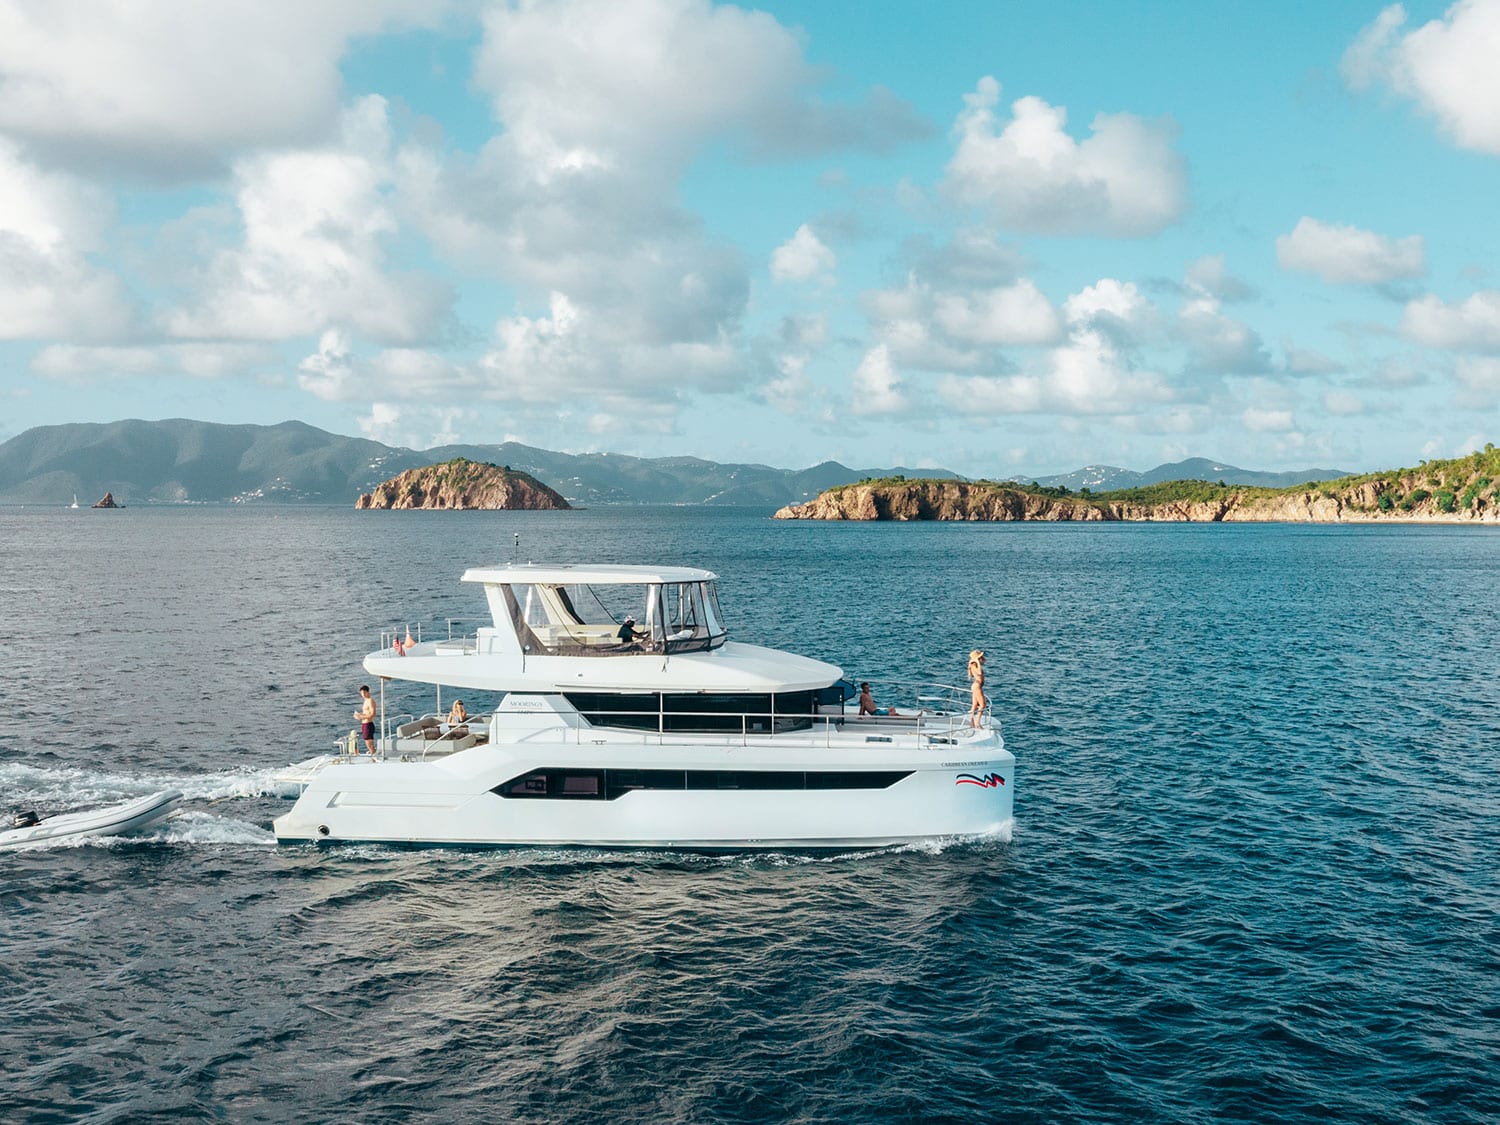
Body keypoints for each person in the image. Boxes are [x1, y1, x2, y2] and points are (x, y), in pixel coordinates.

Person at [354, 684, 377, 754]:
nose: (363, 694)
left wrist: (361, 717)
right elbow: (366, 713)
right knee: (368, 744)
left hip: (368, 724)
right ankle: (373, 756)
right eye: (361, 693)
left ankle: (373, 759)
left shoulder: (370, 701)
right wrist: (359, 715)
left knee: (370, 745)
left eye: (364, 692)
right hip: (365, 724)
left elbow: (373, 714)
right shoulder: (366, 701)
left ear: (368, 692)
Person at [968, 649, 987, 728]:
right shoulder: (974, 664)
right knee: (983, 705)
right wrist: (977, 662)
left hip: (977, 686)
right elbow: (979, 672)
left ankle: (972, 722)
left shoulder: (974, 663)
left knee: (975, 705)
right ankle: (977, 723)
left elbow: (985, 661)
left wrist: (980, 659)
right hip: (977, 686)